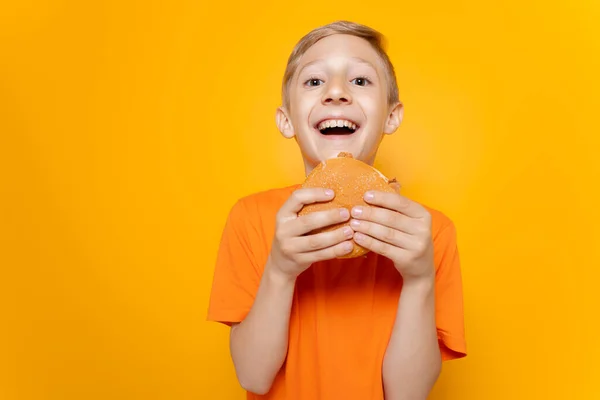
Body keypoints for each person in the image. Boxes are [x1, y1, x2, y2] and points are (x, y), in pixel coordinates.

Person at [207, 20, 466, 400]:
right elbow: (253, 376)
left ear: (392, 116)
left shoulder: (428, 232)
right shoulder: (252, 218)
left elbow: (407, 395)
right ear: (287, 120)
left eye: (360, 81)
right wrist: (279, 269)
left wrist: (419, 278)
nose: (336, 93)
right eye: (314, 82)